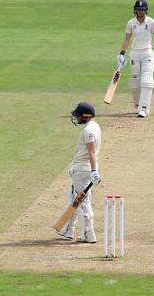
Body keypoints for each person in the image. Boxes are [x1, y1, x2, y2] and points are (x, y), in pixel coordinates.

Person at [56, 102, 102, 242]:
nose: (76, 118)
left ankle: (89, 234)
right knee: (73, 199)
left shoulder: (88, 131)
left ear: (85, 116)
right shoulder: (95, 126)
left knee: (82, 202)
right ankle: (68, 230)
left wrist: (94, 171)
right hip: (83, 169)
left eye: (78, 115)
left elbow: (91, 152)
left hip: (82, 170)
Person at [118, 0, 154, 118]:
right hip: (134, 53)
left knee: (146, 80)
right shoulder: (131, 23)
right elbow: (126, 39)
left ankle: (144, 108)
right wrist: (122, 53)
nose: (140, 12)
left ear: (146, 10)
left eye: (142, 10)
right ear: (135, 10)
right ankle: (138, 105)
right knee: (134, 82)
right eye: (138, 10)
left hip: (147, 54)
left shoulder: (151, 22)